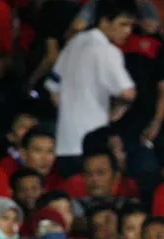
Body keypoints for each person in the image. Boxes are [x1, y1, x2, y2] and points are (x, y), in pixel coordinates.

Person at [47, 0, 137, 175]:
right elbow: (128, 93)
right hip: (92, 146)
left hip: (64, 143)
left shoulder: (74, 43)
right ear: (104, 21)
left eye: (131, 25)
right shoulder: (107, 51)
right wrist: (117, 110)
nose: (128, 31)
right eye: (123, 24)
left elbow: (53, 87)